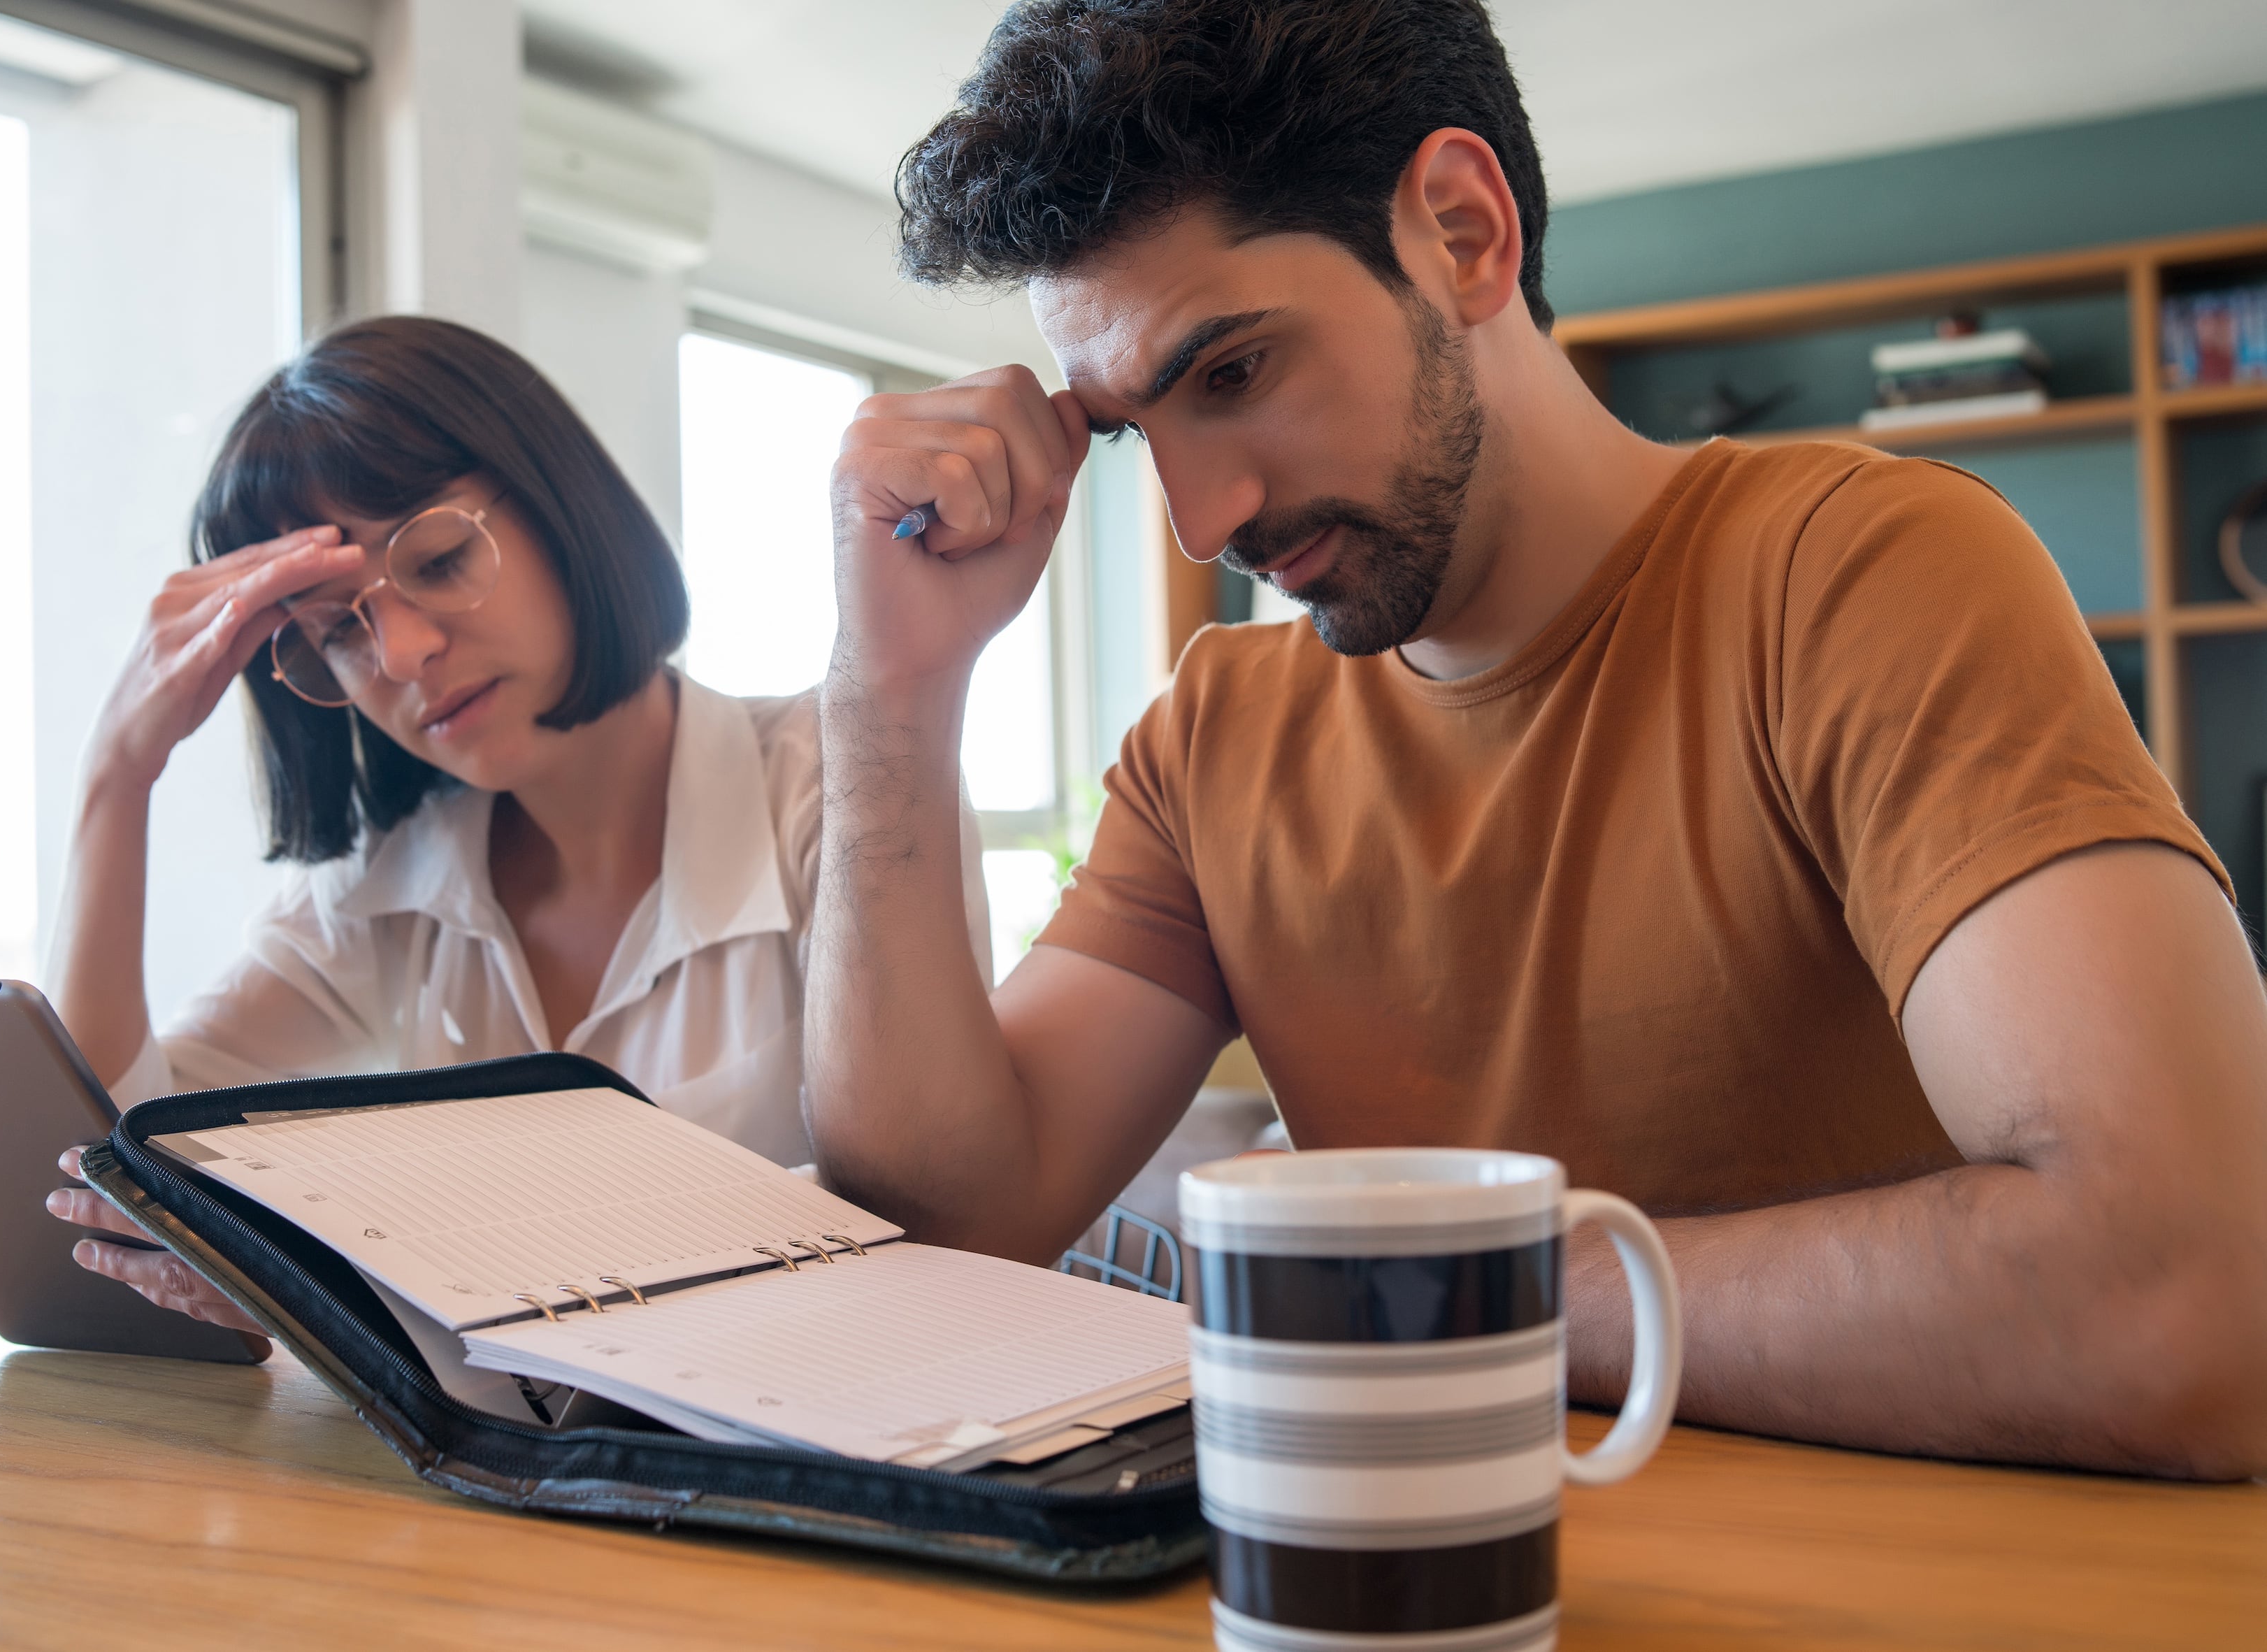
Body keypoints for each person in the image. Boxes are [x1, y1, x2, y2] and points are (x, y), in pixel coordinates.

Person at [806, 0, 2267, 1477]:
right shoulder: (1214, 736)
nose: (1202, 520)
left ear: (1459, 230)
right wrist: (889, 690)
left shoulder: (1862, 577)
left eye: (1233, 372)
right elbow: (947, 1225)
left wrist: (1449, 1289)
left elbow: (2187, 1298)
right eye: (1130, 428)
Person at [45, 316, 987, 1348]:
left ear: (560, 506)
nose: (401, 654)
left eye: (440, 560)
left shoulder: (843, 783)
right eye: (339, 631)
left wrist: (364, 1286)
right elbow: (109, 1172)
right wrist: (115, 781)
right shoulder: (381, 885)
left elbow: (917, 1230)